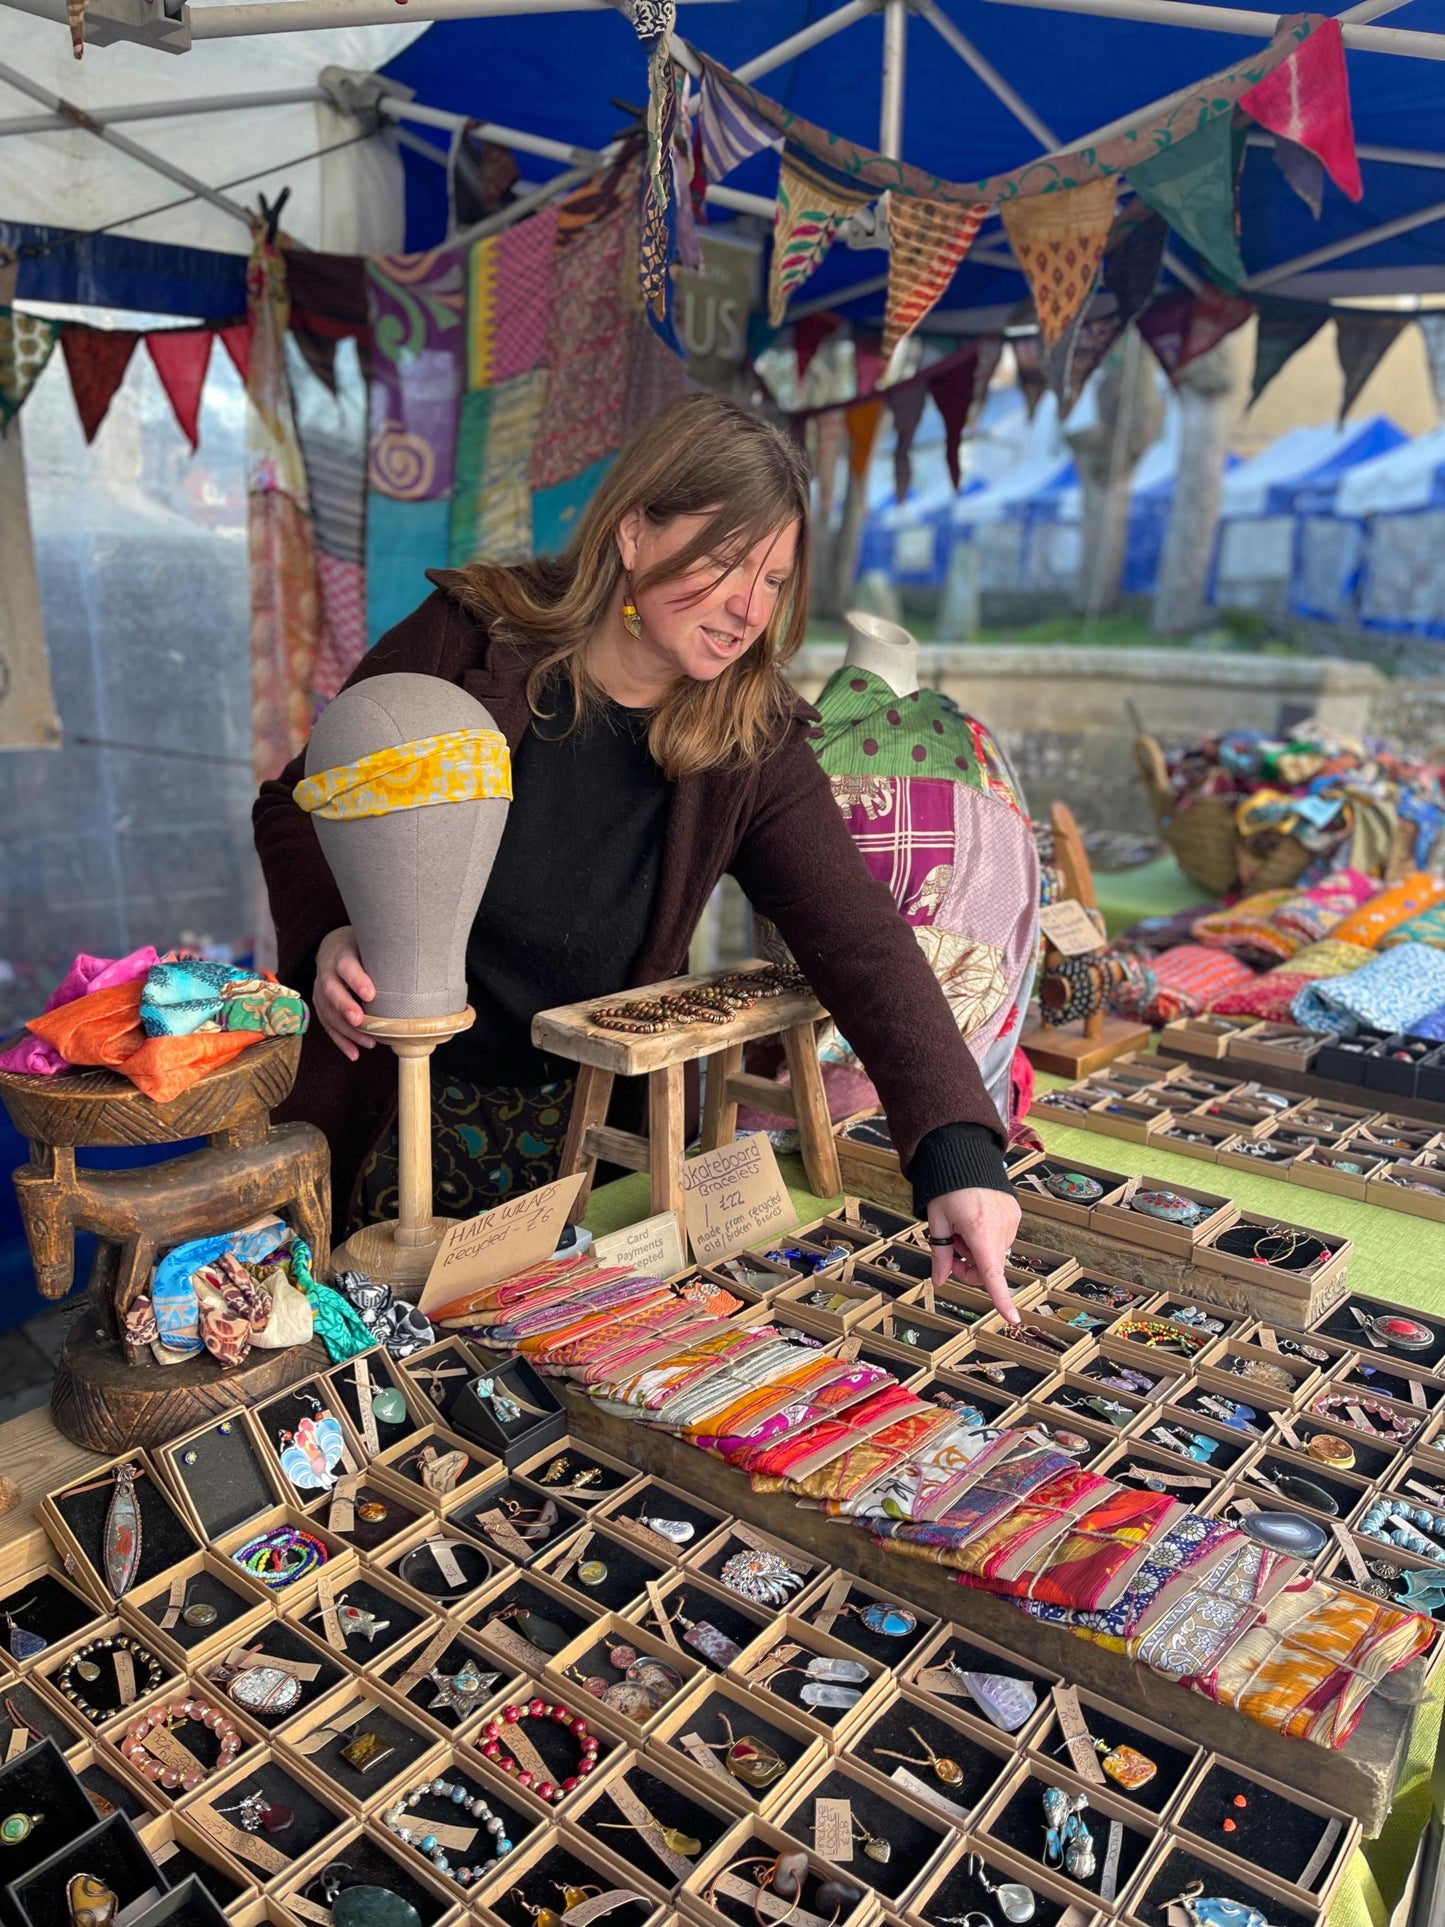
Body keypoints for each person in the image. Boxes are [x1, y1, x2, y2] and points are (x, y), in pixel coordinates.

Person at [254, 392, 1022, 1319]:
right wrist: (334, 932)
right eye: (726, 563)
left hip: (584, 1147)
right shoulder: (467, 638)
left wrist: (957, 1153)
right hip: (397, 1109)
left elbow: (860, 939)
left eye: (774, 579)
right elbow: (298, 805)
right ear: (631, 533)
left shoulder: (750, 735)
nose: (749, 608)